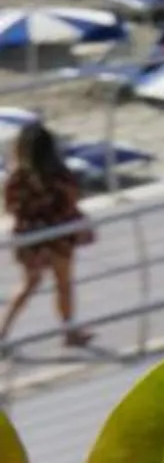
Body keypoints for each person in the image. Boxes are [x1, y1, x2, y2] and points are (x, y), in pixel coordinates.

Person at [3, 122, 91, 348]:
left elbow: (12, 208)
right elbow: (71, 202)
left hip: (30, 237)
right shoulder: (60, 175)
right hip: (58, 234)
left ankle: (3, 332)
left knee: (29, 284)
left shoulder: (16, 179)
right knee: (64, 284)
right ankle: (69, 331)